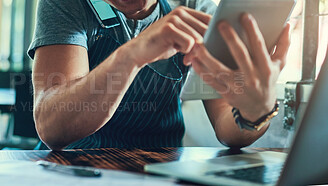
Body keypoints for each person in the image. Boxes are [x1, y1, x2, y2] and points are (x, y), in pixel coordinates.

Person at [28, 0, 291, 150]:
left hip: (158, 170)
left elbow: (228, 128)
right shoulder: (66, 4)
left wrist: (256, 112)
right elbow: (52, 126)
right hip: (74, 168)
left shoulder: (193, 7)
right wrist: (131, 56)